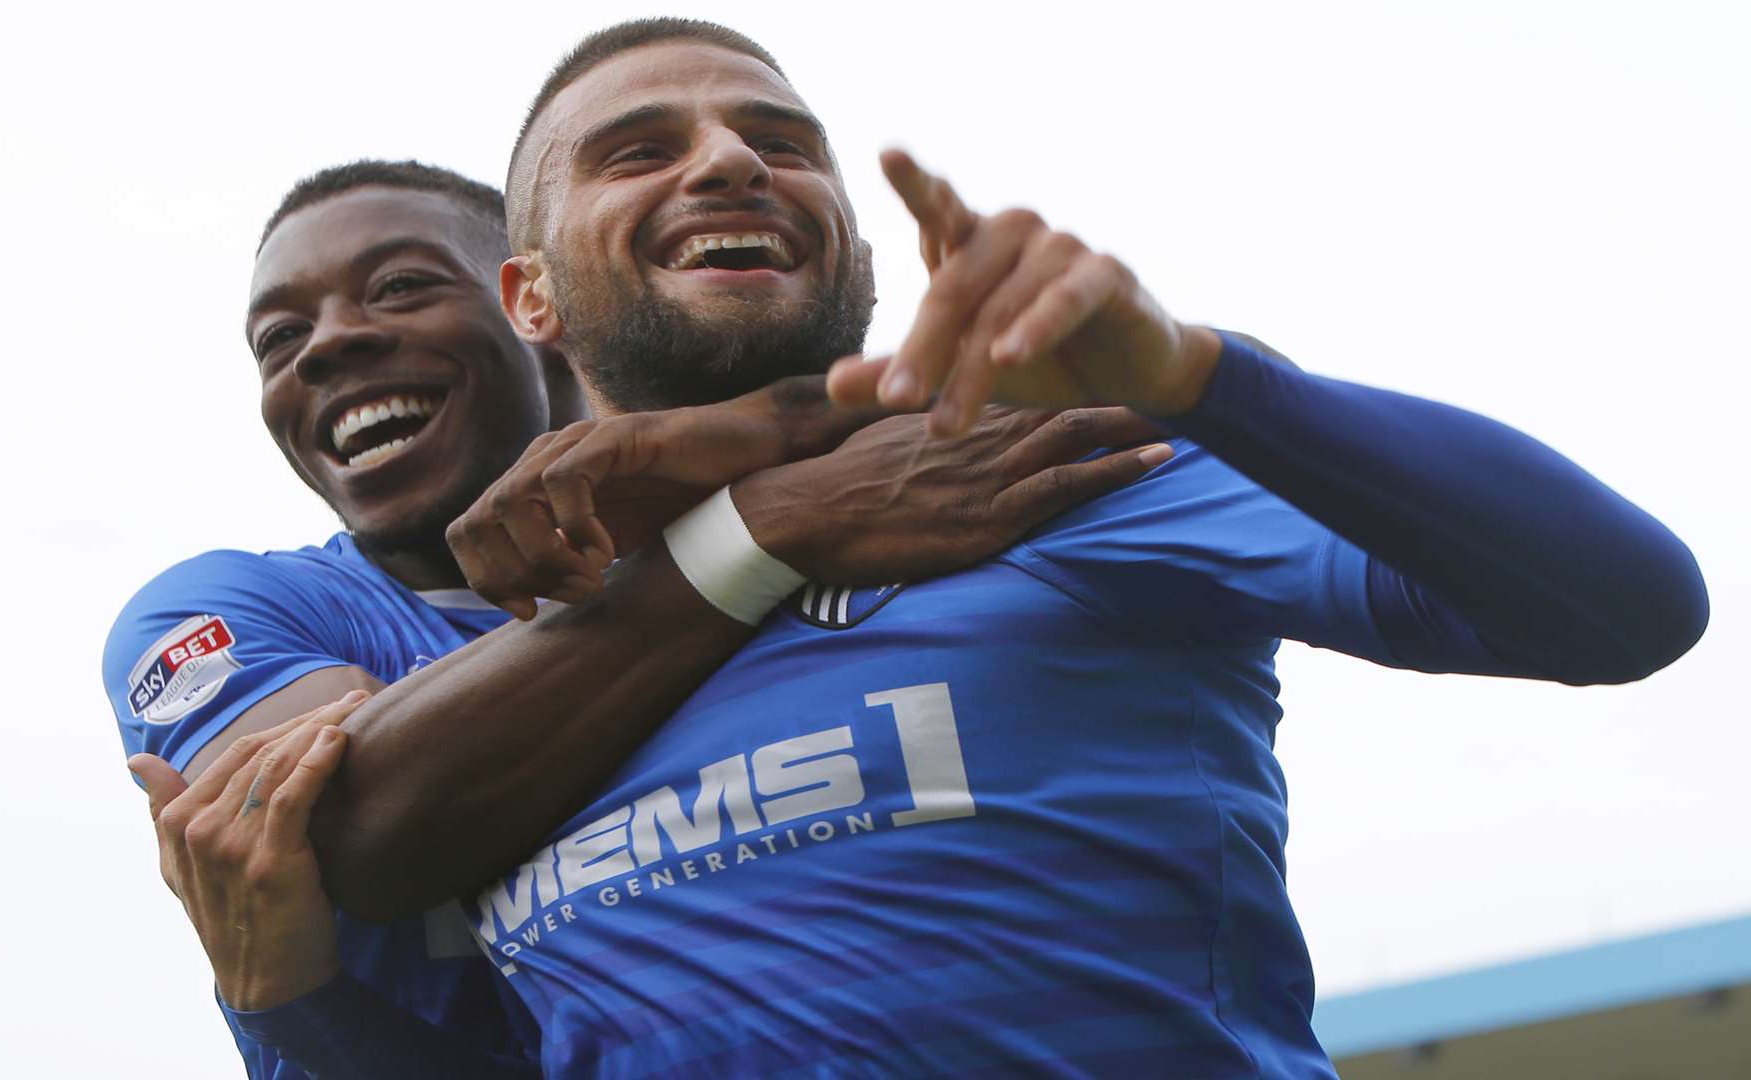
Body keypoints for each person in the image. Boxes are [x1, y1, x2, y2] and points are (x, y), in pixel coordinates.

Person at [433, 17, 1706, 1077]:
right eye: (638, 151)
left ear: (861, 259)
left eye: (780, 144)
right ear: (529, 295)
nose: (728, 165)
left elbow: (1625, 606)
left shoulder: (1051, 471)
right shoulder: (490, 672)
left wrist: (1200, 378)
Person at [106, 159, 1169, 1077]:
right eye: (278, 336)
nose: (327, 345)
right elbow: (348, 828)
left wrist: (761, 464)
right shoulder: (231, 609)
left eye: (400, 286)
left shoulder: (843, 533)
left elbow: (1025, 408)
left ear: (540, 311)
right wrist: (756, 532)